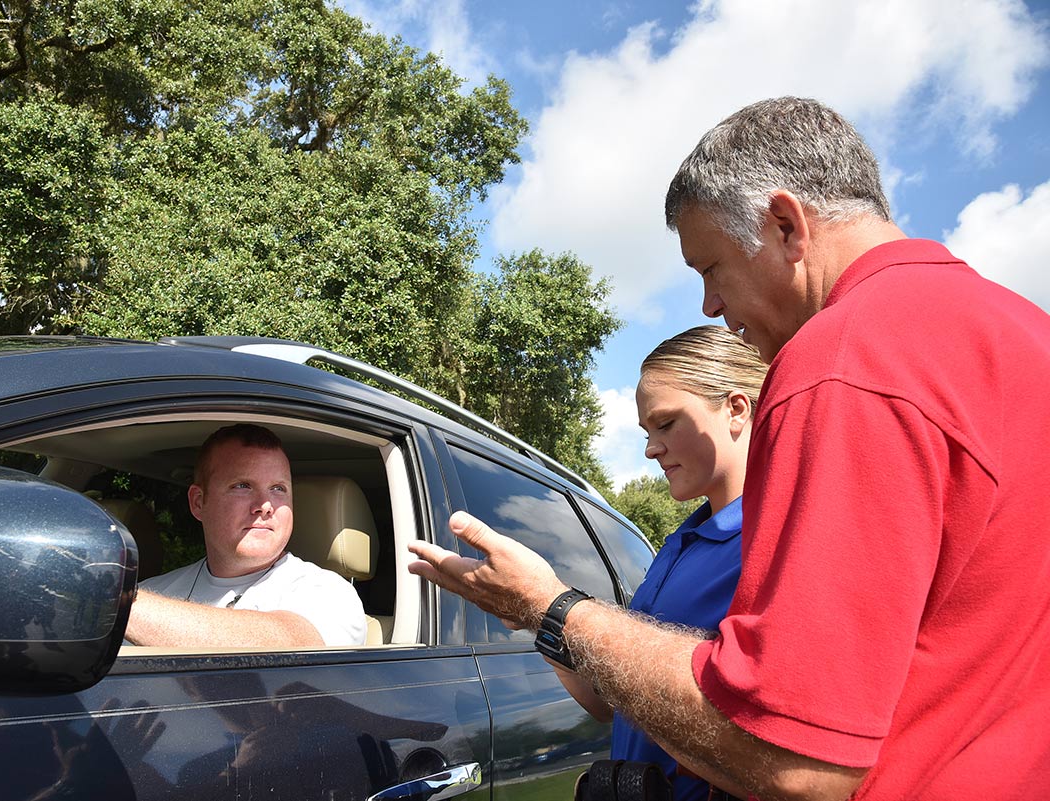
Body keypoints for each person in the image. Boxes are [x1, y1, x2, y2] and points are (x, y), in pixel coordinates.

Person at [408, 96, 1050, 800]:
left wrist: (555, 610)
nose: (710, 305)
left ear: (785, 225)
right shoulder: (1024, 334)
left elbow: (795, 757)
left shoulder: (845, 356)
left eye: (710, 266)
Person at [555, 325, 766, 801]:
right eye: (647, 432)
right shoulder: (676, 545)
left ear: (736, 408)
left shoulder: (773, 541)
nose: (651, 449)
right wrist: (532, 609)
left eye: (666, 424)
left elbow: (772, 744)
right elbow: (611, 702)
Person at [125, 423, 366, 648]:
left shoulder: (329, 593)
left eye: (278, 489)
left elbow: (291, 648)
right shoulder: (152, 592)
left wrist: (114, 606)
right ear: (198, 503)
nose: (265, 505)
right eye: (242, 486)